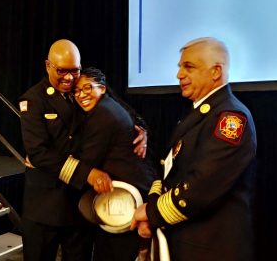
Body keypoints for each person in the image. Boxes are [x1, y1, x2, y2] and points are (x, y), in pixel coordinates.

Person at [19, 39, 147, 261]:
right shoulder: (33, 100)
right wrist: (87, 173)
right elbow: (39, 153)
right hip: (46, 207)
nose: (69, 78)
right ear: (48, 66)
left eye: (74, 71)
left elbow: (123, 110)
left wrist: (141, 130)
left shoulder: (86, 86)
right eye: (62, 71)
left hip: (79, 206)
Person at [131, 37, 257, 261]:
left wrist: (152, 213)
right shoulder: (199, 114)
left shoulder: (230, 119)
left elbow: (203, 185)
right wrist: (152, 205)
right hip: (186, 241)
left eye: (189, 67)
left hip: (212, 249)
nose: (179, 74)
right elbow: (169, 169)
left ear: (215, 72)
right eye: (179, 67)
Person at [57, 67, 157, 261]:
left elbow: (87, 159)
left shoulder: (102, 114)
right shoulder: (108, 107)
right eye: (76, 91)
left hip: (126, 200)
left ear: (102, 88)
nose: (81, 95)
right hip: (132, 192)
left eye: (87, 88)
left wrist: (46, 161)